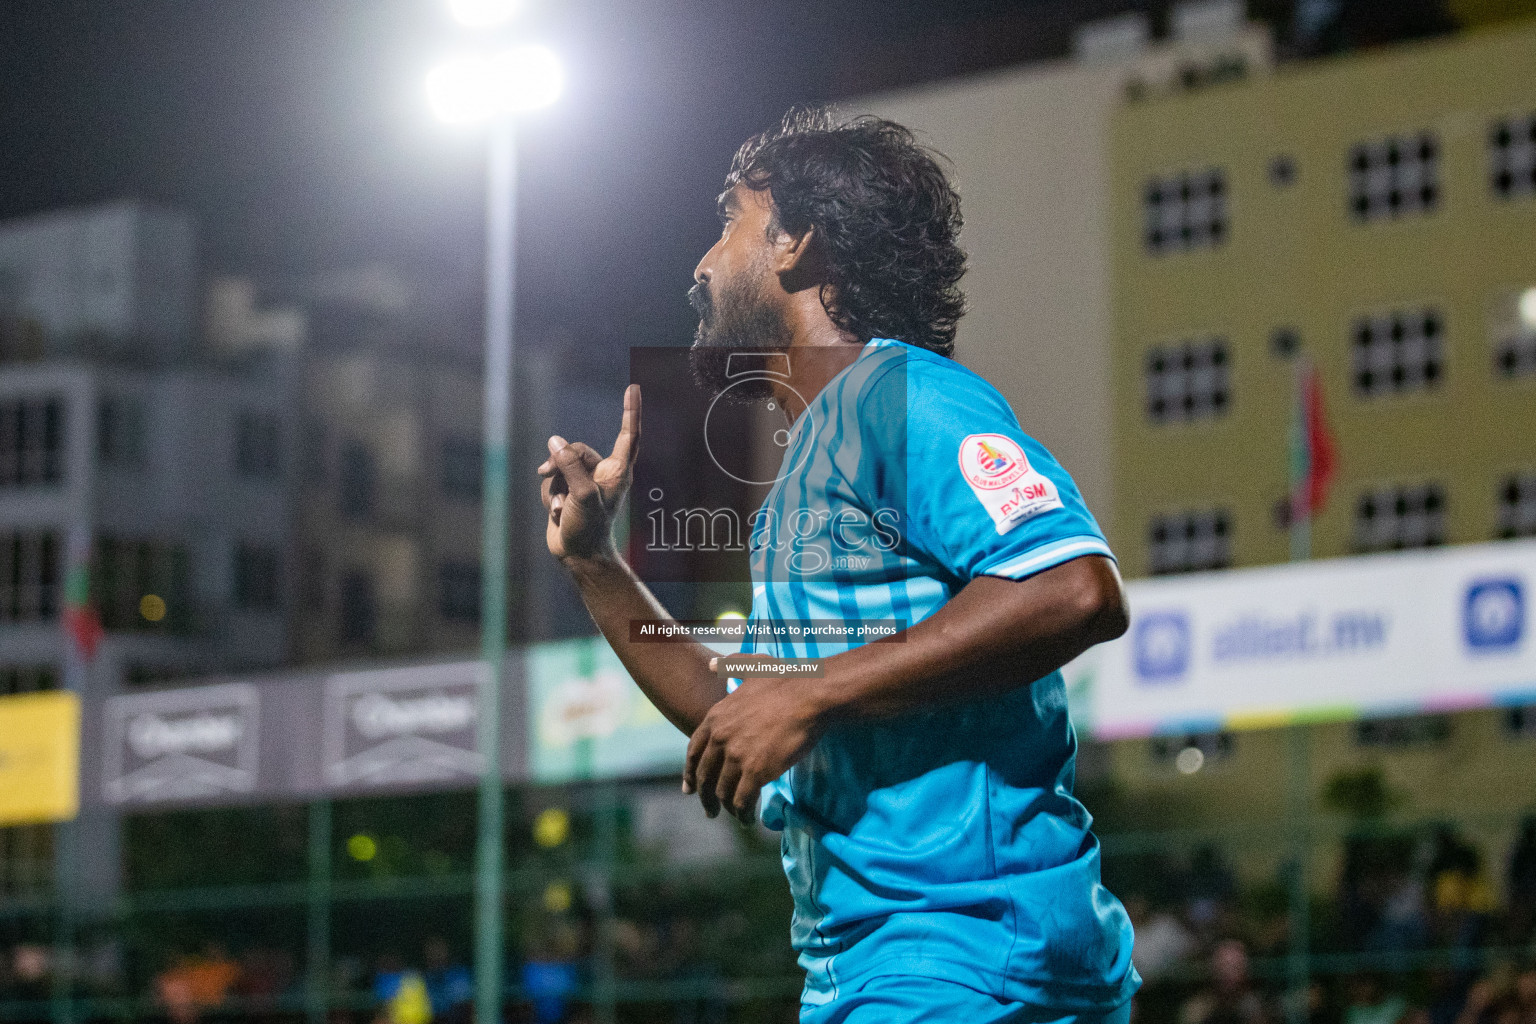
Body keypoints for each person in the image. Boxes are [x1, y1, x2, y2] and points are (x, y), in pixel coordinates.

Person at [537, 107, 1138, 1022]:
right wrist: (593, 562)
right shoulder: (812, 470)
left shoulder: (899, 396)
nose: (700, 264)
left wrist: (813, 693)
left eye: (729, 220)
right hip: (890, 968)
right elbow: (742, 715)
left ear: (798, 245)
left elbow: (1073, 587)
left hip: (962, 958)